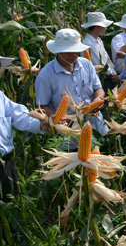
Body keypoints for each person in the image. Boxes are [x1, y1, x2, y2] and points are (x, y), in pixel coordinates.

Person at [35, 29, 109, 135]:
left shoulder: (87, 65)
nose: (74, 55)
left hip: (97, 125)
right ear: (58, 51)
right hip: (69, 131)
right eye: (69, 51)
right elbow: (41, 106)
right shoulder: (45, 76)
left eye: (76, 51)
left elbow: (98, 89)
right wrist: (57, 119)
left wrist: (98, 99)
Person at [1, 56, 45, 201]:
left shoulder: (1, 97)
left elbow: (19, 116)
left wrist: (42, 123)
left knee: (11, 207)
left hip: (5, 164)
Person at [81, 12, 118, 91]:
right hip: (102, 81)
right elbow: (101, 66)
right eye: (104, 26)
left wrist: (115, 74)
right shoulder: (88, 44)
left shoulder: (98, 40)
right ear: (98, 26)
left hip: (109, 78)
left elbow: (107, 59)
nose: (106, 28)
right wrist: (114, 77)